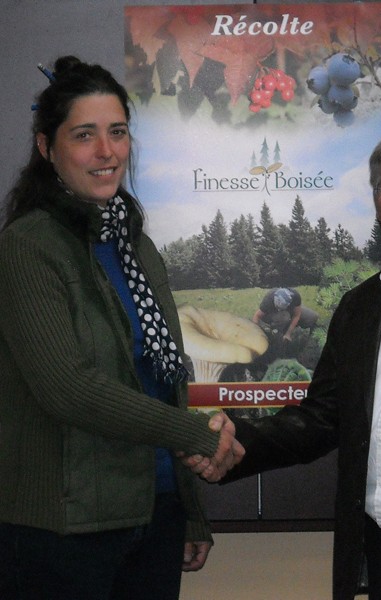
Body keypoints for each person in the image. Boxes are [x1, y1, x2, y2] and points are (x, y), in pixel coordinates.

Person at [182, 126, 381, 600]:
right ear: (378, 202)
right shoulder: (358, 306)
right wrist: (238, 442)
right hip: (376, 552)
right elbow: (322, 418)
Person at [0, 56, 243, 600]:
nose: (106, 151)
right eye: (84, 135)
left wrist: (188, 508)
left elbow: (162, 383)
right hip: (65, 529)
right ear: (46, 148)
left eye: (117, 132)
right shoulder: (28, 246)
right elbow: (68, 388)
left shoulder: (137, 248)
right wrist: (194, 435)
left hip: (155, 512)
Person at [252, 287, 318, 341]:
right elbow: (256, 316)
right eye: (277, 307)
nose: (279, 309)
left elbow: (296, 315)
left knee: (313, 317)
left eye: (280, 308)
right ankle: (277, 332)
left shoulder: (295, 296)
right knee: (285, 317)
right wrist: (255, 332)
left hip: (290, 310)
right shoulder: (269, 298)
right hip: (271, 314)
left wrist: (288, 334)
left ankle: (311, 338)